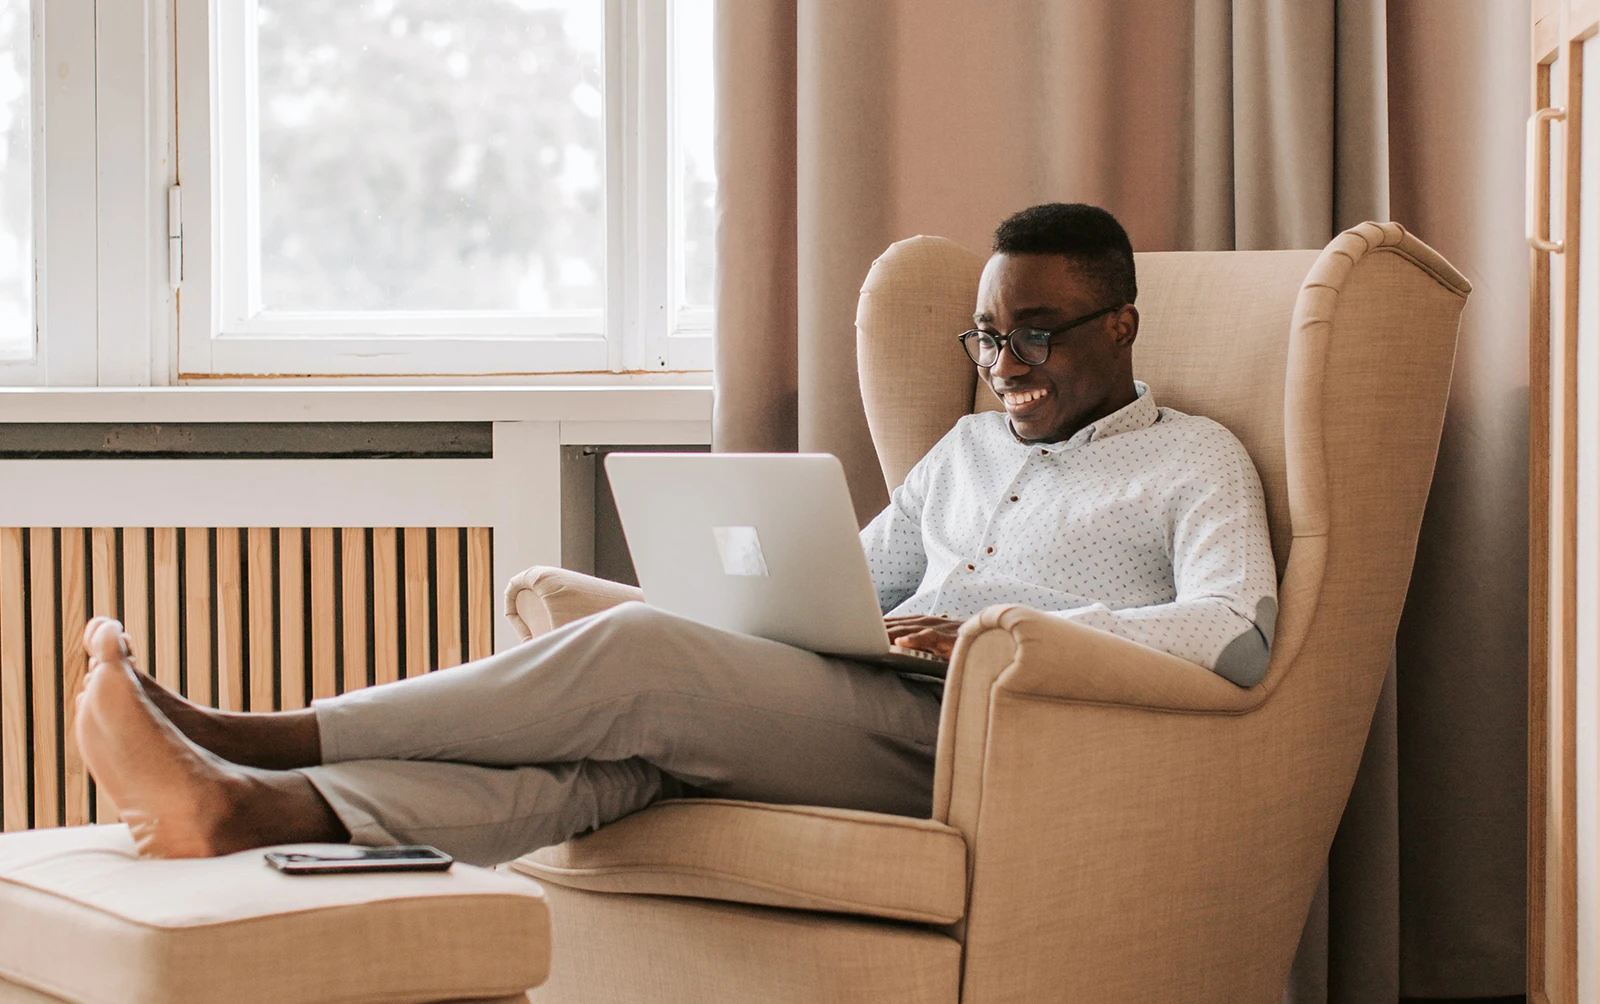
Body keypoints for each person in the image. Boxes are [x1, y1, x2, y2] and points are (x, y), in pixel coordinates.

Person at [75, 202, 1276, 866]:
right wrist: (781, 608)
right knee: (613, 769)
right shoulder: (957, 457)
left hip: (994, 738)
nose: (1005, 364)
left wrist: (1014, 631)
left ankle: (262, 736)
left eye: (1038, 332)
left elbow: (1236, 636)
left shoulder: (1194, 459)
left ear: (1120, 327)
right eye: (987, 338)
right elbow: (849, 591)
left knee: (639, 656)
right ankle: (251, 813)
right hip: (869, 706)